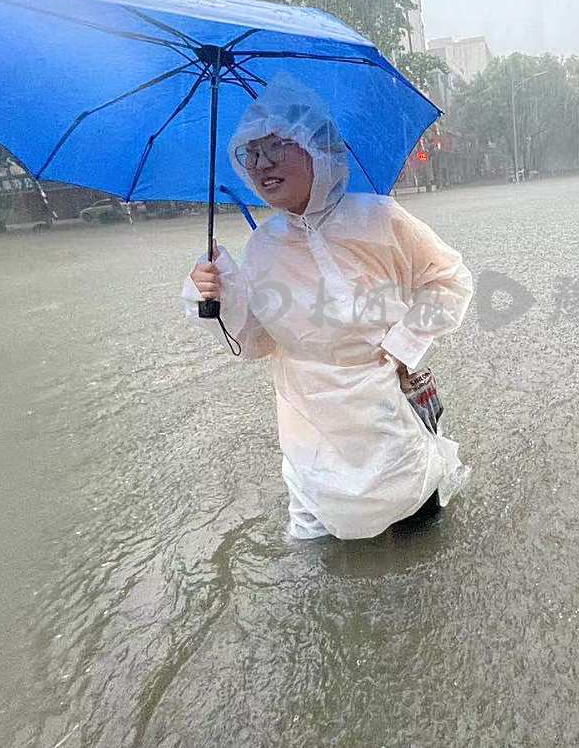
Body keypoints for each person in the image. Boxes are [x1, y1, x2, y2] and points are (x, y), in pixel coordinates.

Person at [181, 75, 474, 540]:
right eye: (250, 153)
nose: (262, 164)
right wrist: (218, 297)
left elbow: (449, 280)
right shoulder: (261, 248)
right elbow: (256, 342)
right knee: (319, 546)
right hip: (307, 418)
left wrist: (401, 347)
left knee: (416, 526)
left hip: (385, 401)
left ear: (317, 147)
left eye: (276, 146)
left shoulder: (381, 218)